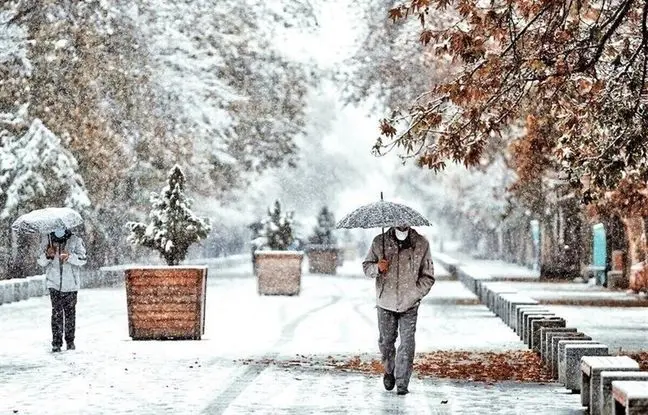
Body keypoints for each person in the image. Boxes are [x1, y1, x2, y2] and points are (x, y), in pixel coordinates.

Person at [363, 225, 435, 395]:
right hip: (385, 301)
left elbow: (428, 276)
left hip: (409, 303)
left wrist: (416, 293)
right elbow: (366, 267)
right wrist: (377, 268)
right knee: (386, 341)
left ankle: (402, 383)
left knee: (407, 343)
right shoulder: (379, 242)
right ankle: (389, 370)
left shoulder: (421, 244)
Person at [37, 227, 87, 352]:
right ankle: (56, 342)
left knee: (70, 314)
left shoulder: (75, 240)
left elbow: (83, 259)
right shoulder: (47, 240)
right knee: (56, 314)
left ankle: (70, 341)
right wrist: (48, 255)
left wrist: (70, 256)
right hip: (53, 284)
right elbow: (40, 261)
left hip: (71, 285)